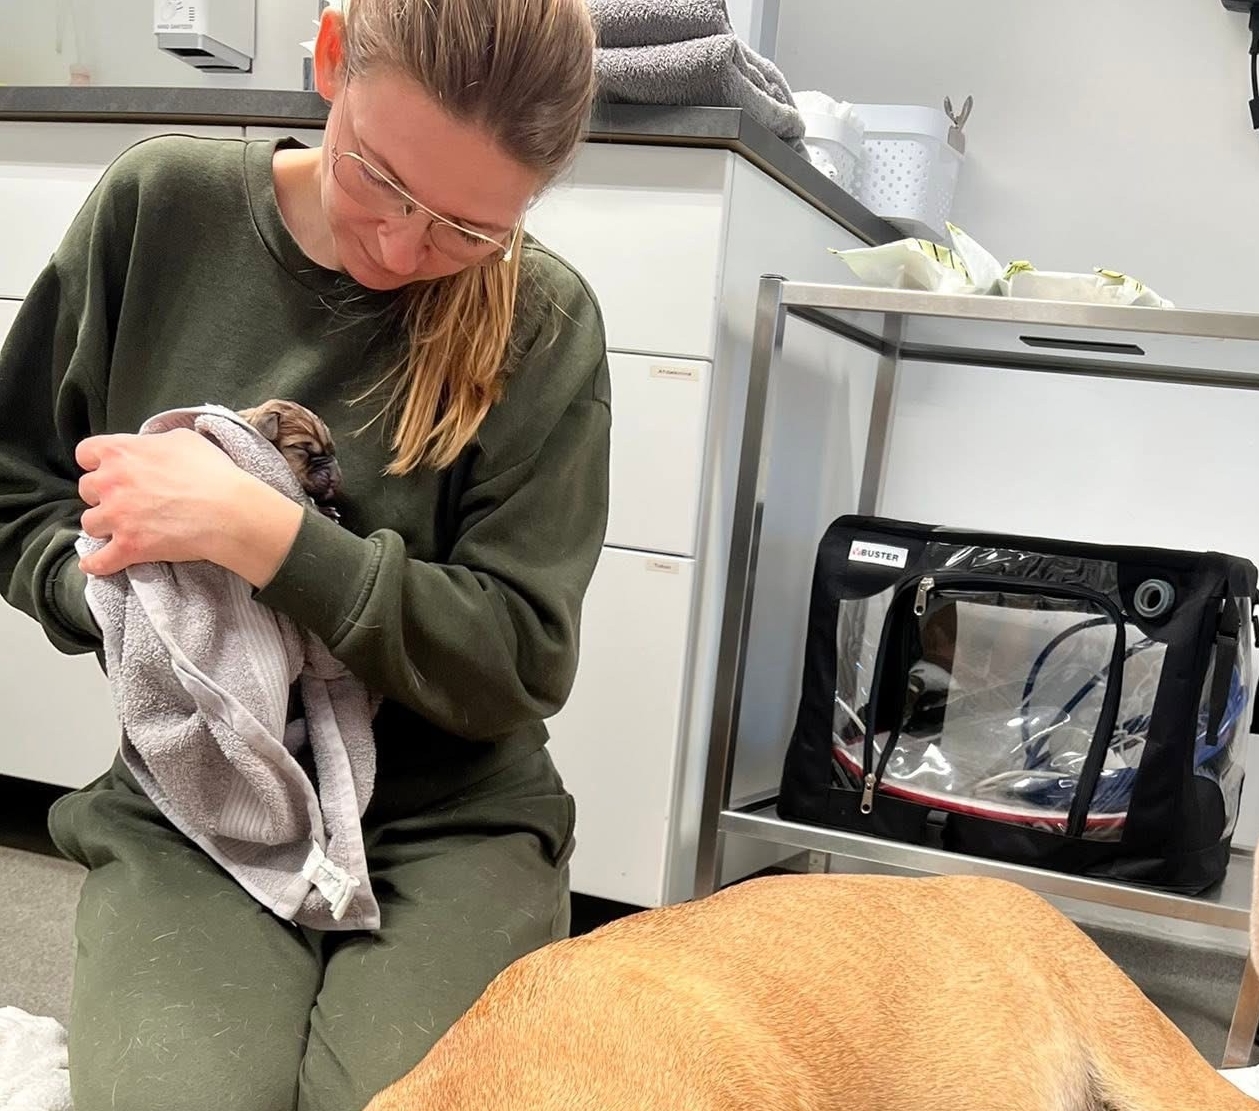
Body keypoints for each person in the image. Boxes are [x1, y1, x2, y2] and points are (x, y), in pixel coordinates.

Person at [0, 1, 609, 1108]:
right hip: (203, 796)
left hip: (452, 814)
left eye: (468, 229)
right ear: (330, 62)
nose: (400, 247)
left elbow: (518, 660)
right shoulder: (159, 208)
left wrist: (261, 536)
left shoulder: (546, 319)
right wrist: (121, 603)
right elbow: (14, 482)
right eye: (379, 180)